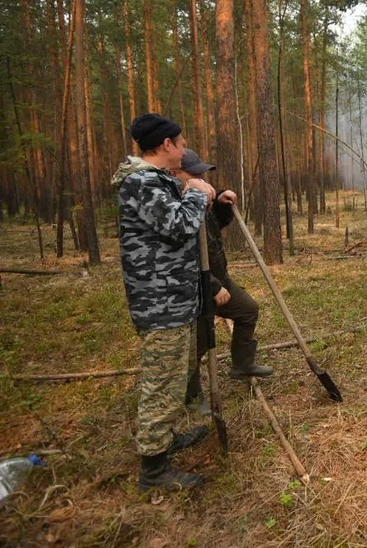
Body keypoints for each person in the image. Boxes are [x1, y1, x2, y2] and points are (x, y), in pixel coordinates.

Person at [111, 113, 216, 491]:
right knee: (161, 383)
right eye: (182, 142)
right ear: (166, 144)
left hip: (174, 297)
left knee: (172, 379)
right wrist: (194, 194)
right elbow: (177, 227)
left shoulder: (157, 181)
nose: (185, 149)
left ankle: (166, 439)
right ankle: (153, 469)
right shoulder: (141, 183)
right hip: (160, 303)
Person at [171, 149, 273, 392]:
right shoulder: (175, 209)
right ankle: (191, 393)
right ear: (175, 174)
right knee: (199, 342)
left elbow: (215, 226)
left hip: (218, 278)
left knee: (248, 310)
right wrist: (213, 287)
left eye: (202, 172)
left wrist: (220, 203)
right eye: (194, 173)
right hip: (196, 287)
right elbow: (181, 257)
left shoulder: (197, 196)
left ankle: (243, 363)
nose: (202, 177)